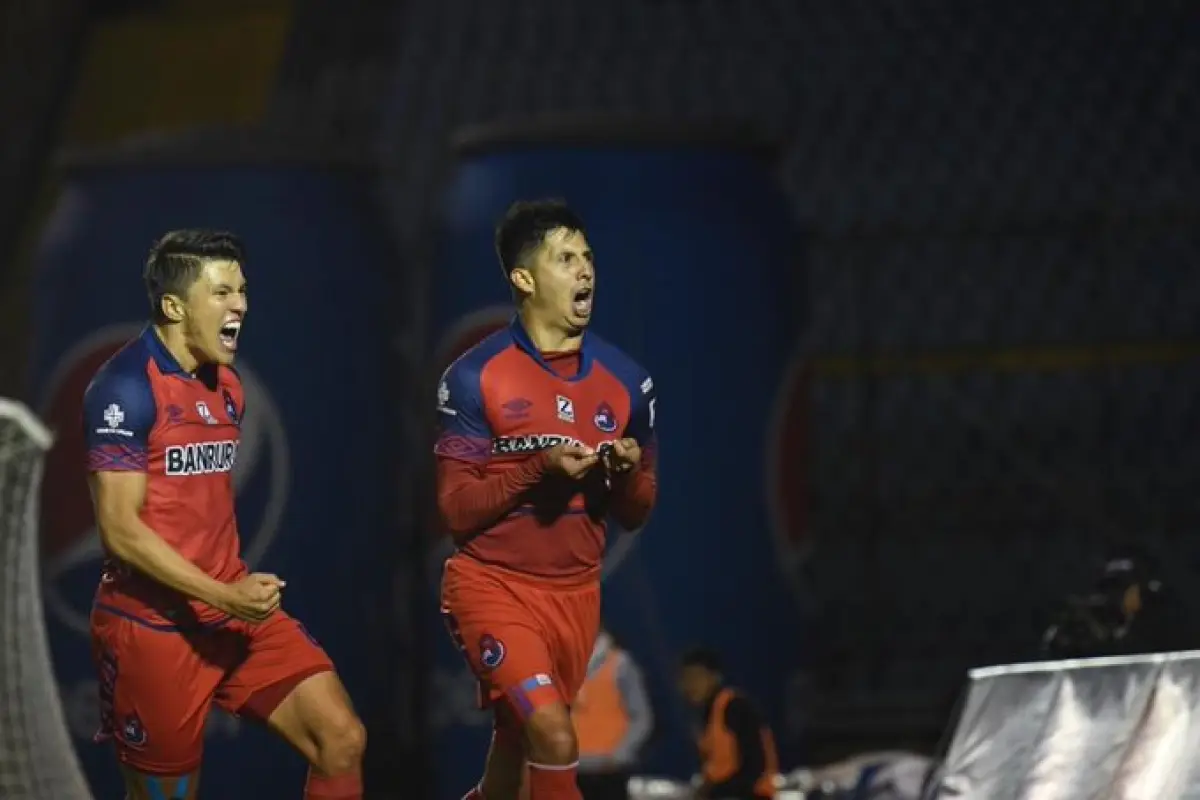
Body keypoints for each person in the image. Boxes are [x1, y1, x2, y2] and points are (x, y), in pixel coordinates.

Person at [83, 230, 366, 800]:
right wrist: (223, 595)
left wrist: (229, 599)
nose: (240, 304)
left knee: (340, 738)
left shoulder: (228, 388)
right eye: (221, 292)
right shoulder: (124, 388)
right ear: (173, 306)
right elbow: (119, 530)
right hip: (154, 631)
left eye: (242, 290)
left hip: (233, 617)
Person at [435, 199, 659, 800]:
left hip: (576, 596)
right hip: (493, 586)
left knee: (513, 748)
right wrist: (538, 468)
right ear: (524, 278)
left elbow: (637, 513)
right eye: (565, 259)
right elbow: (456, 512)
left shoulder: (627, 382)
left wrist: (629, 473)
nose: (585, 270)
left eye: (587, 257)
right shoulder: (475, 378)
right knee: (556, 740)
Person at [678, 649, 778, 800]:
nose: (691, 685)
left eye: (696, 677)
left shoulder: (735, 707)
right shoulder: (704, 715)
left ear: (714, 677)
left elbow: (756, 765)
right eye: (685, 678)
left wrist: (716, 791)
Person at [572, 627, 655, 800]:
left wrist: (620, 755)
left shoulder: (620, 664)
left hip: (608, 772)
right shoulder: (561, 665)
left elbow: (641, 717)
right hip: (570, 771)